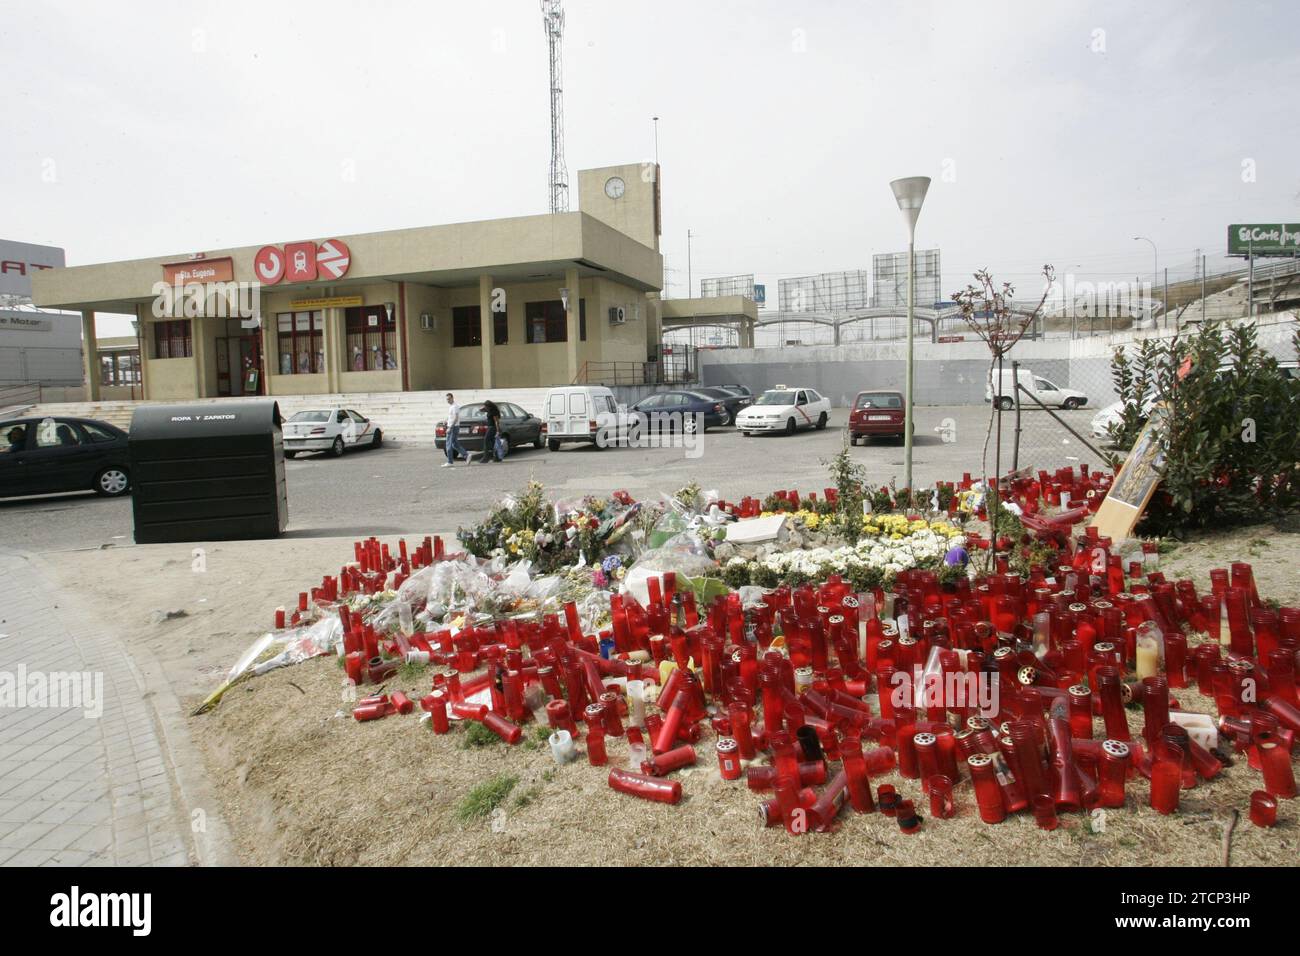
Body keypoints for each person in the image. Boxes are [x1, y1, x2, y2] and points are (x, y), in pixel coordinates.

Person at [442, 393, 464, 467]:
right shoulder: (452, 406)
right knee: (454, 444)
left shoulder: (454, 407)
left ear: (452, 398)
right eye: (447, 399)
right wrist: (446, 420)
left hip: (453, 427)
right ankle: (467, 455)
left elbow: (456, 418)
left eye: (449, 399)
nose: (448, 400)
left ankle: (450, 462)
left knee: (448, 444)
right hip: (453, 426)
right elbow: (451, 417)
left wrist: (450, 428)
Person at [478, 399, 503, 464]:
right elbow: (480, 410)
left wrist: (497, 431)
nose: (485, 407)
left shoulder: (494, 411)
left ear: (489, 406)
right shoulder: (489, 410)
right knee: (493, 443)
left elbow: (496, 422)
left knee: (486, 440)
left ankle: (486, 458)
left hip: (492, 428)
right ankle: (497, 457)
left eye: (486, 406)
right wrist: (483, 408)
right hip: (490, 427)